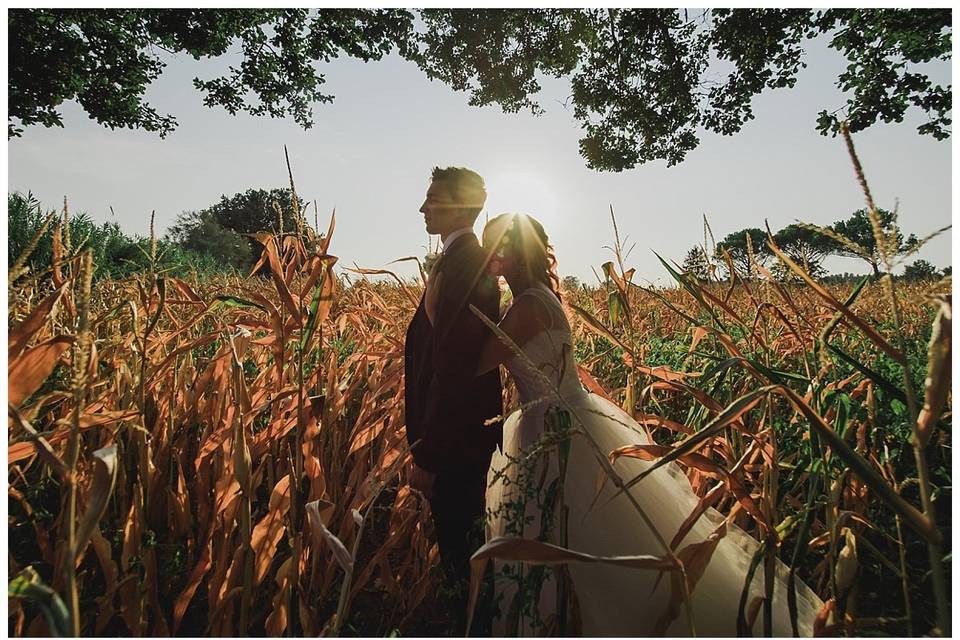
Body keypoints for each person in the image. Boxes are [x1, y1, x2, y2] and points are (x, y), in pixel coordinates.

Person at [473, 212, 824, 636]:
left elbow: (478, 362)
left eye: (492, 246)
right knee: (575, 538)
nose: (486, 255)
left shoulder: (528, 304)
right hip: (558, 419)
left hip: (555, 431)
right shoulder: (536, 297)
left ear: (510, 253)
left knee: (573, 541)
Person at [403, 166, 503, 635]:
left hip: (457, 445)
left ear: (463, 207)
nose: (424, 208)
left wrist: (430, 452)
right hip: (453, 440)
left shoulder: (469, 263)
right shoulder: (456, 259)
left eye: (434, 200)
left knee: (463, 560)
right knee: (460, 554)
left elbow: (454, 365)